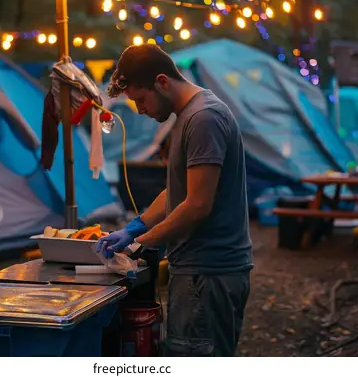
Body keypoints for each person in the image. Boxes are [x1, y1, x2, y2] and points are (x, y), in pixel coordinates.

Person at [96, 44, 253, 357]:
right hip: (199, 274)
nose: (139, 109)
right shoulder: (188, 116)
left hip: (208, 274)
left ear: (162, 82)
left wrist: (140, 243)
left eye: (141, 99)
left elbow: (197, 205)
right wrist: (134, 227)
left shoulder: (203, 118)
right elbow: (177, 191)